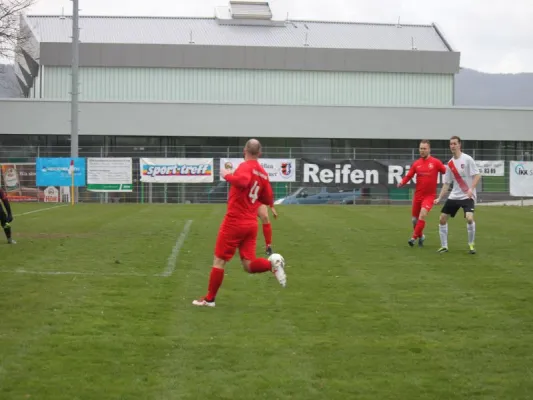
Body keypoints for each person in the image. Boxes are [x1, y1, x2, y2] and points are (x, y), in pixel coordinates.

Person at [193, 139, 287, 307]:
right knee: (248, 265)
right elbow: (267, 198)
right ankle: (272, 264)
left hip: (235, 221)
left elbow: (243, 181)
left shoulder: (245, 166)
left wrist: (226, 175)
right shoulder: (263, 173)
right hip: (251, 223)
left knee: (219, 261)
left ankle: (210, 299)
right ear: (260, 153)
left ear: (244, 150)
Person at [434, 135, 481, 254]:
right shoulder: (450, 164)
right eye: (451, 144)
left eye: (455, 143)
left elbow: (477, 175)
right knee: (442, 219)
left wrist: (471, 189)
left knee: (470, 218)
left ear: (460, 145)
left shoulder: (467, 159)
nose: (453, 146)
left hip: (467, 195)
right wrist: (439, 197)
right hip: (454, 195)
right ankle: (444, 246)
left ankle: (471, 245)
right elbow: (446, 183)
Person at [397, 140, 446, 247]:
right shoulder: (417, 163)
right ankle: (421, 236)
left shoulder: (436, 162)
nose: (422, 151)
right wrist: (402, 182)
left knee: (422, 215)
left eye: (424, 148)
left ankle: (413, 238)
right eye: (421, 148)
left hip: (429, 196)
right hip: (418, 195)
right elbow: (409, 175)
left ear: (429, 149)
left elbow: (446, 172)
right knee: (414, 220)